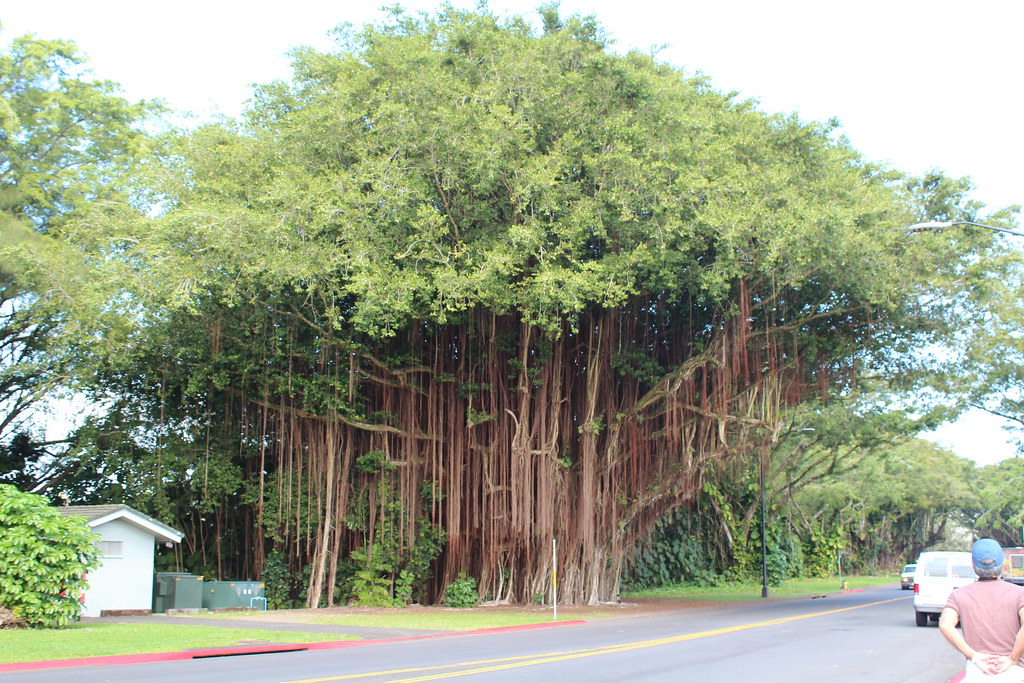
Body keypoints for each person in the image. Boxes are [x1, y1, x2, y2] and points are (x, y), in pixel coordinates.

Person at [940, 538, 1024, 681]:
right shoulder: (1019, 593)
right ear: (1002, 563)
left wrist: (974, 656)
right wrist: (1012, 658)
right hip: (1014, 673)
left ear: (973, 564)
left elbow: (945, 624)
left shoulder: (959, 595)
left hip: (977, 672)